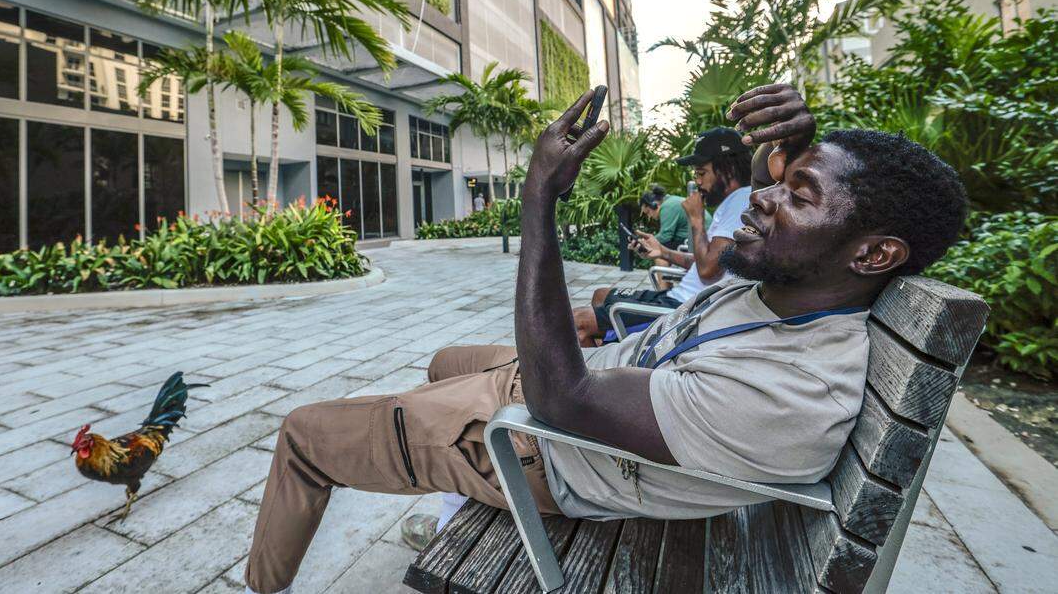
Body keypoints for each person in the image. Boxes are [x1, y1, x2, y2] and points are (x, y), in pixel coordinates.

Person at [242, 84, 967, 594]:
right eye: (783, 181)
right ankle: (434, 462)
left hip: (545, 448)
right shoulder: (803, 286)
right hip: (590, 394)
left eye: (797, 195)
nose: (761, 199)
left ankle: (274, 576)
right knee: (441, 362)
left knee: (306, 434)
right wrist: (791, 147)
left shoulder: (793, 391)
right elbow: (775, 199)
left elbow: (564, 399)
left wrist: (539, 197)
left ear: (874, 256)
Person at [575, 127, 753, 345]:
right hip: (678, 300)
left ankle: (603, 372)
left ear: (729, 169)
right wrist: (662, 251)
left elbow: (707, 270)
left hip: (684, 312)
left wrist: (696, 220)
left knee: (579, 324)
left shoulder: (741, 202)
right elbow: (705, 264)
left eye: (701, 173)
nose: (698, 182)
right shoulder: (732, 203)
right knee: (601, 295)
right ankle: (615, 356)